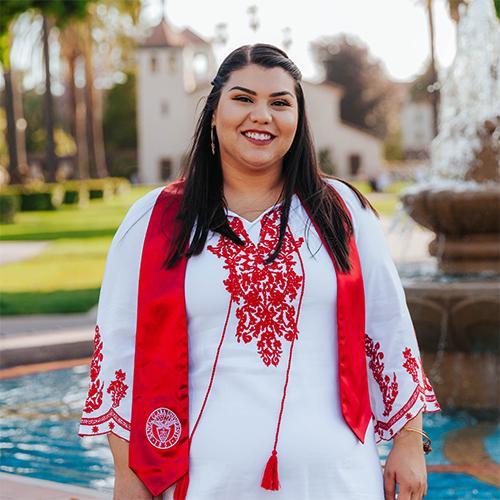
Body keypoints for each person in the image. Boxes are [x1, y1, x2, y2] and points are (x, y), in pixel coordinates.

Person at [78, 44, 441, 500]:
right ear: (214, 111)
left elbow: (389, 327)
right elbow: (117, 353)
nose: (262, 116)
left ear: (298, 118)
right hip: (201, 480)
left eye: (280, 103)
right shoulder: (152, 220)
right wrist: (130, 479)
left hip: (338, 477)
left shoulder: (343, 212)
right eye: (243, 99)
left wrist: (409, 440)